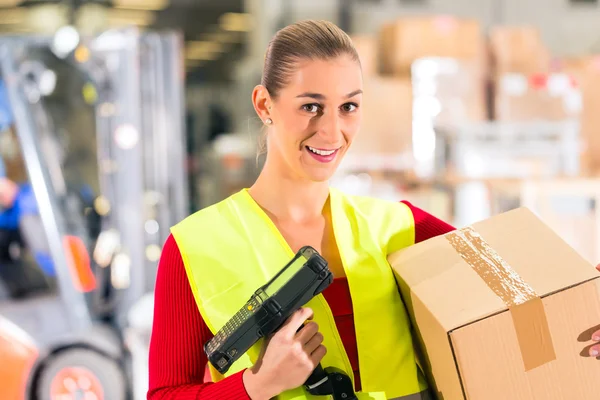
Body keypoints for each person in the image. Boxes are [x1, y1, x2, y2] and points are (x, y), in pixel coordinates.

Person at [147, 20, 600, 400]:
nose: (331, 131)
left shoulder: (400, 228)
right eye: (311, 106)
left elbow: (529, 293)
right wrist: (256, 385)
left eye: (348, 107)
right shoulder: (194, 248)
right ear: (265, 104)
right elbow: (165, 393)